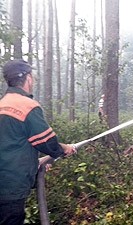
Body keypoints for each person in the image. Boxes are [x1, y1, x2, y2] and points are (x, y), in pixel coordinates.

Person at [0, 59, 76, 225]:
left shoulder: (2, 104)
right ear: (28, 78)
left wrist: (36, 163)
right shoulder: (27, 106)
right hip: (10, 187)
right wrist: (64, 149)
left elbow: (10, 145)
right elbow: (48, 143)